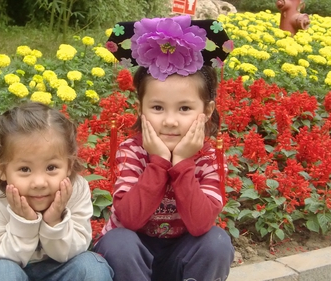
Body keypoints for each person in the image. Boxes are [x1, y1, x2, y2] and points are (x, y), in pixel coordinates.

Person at [93, 16, 235, 281]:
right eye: (157, 108)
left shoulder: (208, 157)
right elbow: (130, 219)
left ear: (206, 111)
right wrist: (158, 162)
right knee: (119, 242)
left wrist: (182, 163)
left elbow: (200, 223)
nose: (170, 121)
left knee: (216, 241)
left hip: (182, 254)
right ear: (140, 109)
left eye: (184, 108)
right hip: (132, 257)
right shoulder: (131, 151)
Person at [0, 102, 114, 281]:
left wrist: (54, 221)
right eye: (25, 169)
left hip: (59, 270)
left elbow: (75, 249)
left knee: (91, 267)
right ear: (1, 168)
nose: (39, 182)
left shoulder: (75, 190)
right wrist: (24, 223)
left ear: (69, 164)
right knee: (5, 273)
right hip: (3, 268)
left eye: (51, 167)